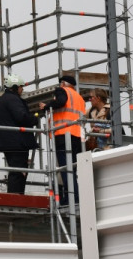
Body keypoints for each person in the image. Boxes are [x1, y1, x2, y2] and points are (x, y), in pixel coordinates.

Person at [37, 75, 86, 205]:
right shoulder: (79, 98)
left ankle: (72, 198)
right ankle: (75, 196)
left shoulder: (62, 91)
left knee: (65, 168)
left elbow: (61, 102)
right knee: (73, 169)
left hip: (64, 135)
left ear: (63, 84)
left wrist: (46, 106)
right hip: (77, 137)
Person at [0, 73, 39, 194]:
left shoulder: (6, 98)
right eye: (20, 87)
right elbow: (21, 117)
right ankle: (16, 197)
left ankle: (17, 196)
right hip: (15, 143)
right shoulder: (13, 99)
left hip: (10, 142)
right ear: (14, 87)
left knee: (17, 171)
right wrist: (34, 118)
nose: (22, 89)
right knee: (18, 171)